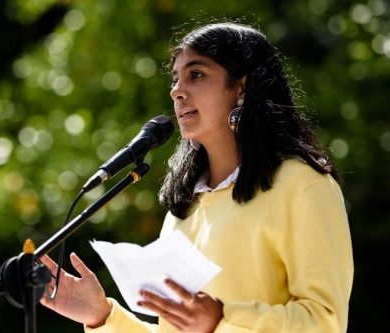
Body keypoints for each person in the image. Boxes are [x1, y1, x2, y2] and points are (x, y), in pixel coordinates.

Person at [40, 22, 354, 333]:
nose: (177, 91)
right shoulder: (184, 208)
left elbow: (325, 321)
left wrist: (222, 320)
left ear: (241, 88)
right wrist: (102, 317)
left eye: (196, 75)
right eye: (175, 79)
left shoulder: (303, 186)